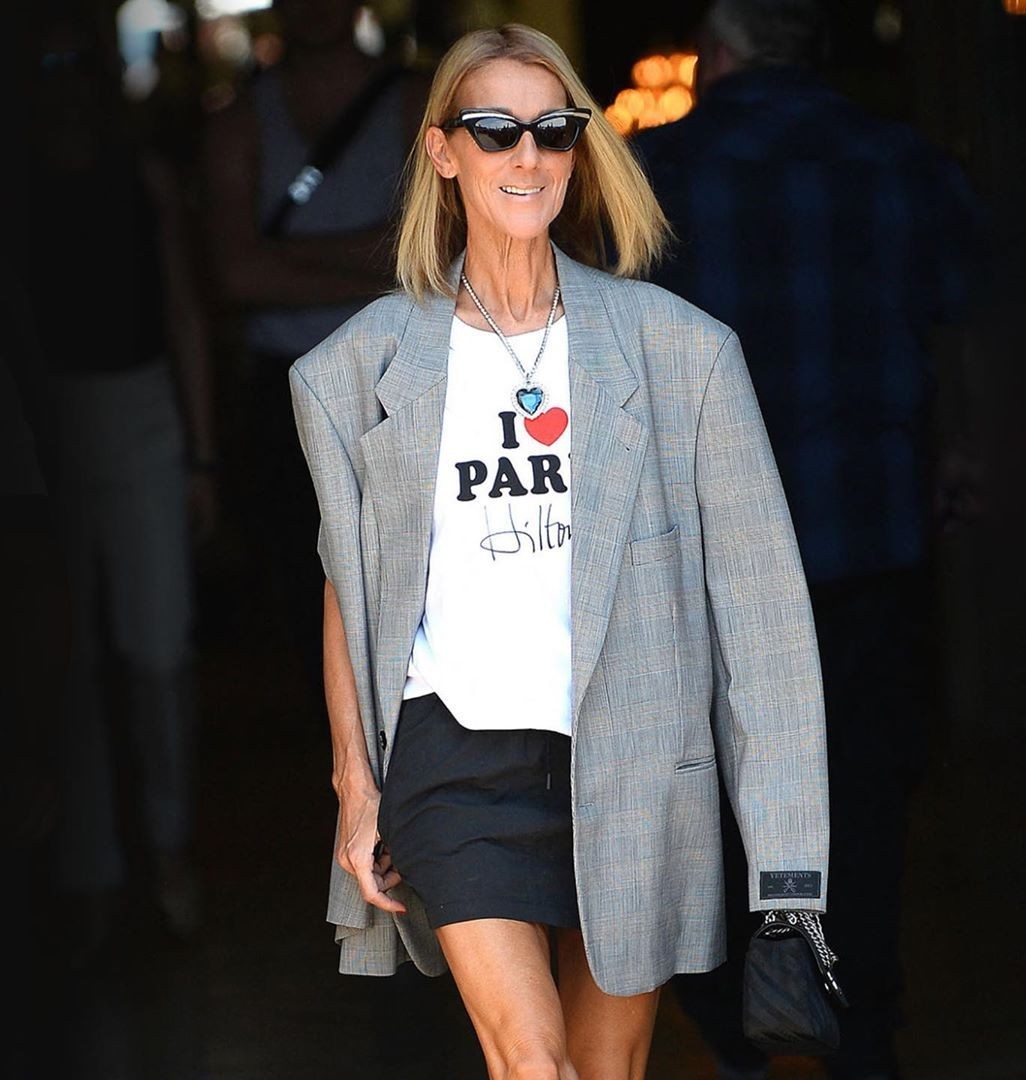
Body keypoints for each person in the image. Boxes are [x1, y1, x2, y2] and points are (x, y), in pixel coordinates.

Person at [290, 23, 830, 1080]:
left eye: (553, 129)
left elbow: (765, 628)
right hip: (456, 762)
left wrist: (790, 874)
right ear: (444, 150)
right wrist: (357, 786)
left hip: (634, 760)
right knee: (534, 1064)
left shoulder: (680, 354)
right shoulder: (358, 368)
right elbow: (351, 586)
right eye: (495, 130)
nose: (527, 154)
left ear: (580, 148)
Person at [632, 2, 984, 1077]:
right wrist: (952, 451)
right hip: (863, 533)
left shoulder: (656, 170)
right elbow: (958, 324)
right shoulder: (903, 161)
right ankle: (858, 1028)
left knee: (705, 800)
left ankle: (738, 1021)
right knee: (863, 800)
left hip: (708, 551)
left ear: (717, 51)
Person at [25, 0, 216, 955]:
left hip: (141, 413)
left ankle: (170, 847)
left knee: (158, 650)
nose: (65, 84)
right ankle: (91, 869)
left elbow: (182, 310)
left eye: (78, 62)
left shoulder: (142, 175)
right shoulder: (20, 182)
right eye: (48, 65)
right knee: (69, 662)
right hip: (46, 422)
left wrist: (200, 452)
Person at [204, 0, 429, 706]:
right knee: (312, 598)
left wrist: (286, 258)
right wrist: (382, 262)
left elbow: (435, 247)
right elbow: (235, 275)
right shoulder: (240, 119)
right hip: (288, 393)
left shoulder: (417, 101)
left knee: (420, 584)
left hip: (404, 381)